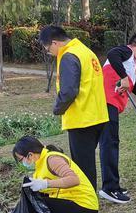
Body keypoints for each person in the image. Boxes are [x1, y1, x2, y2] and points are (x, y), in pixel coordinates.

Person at [40, 24, 108, 190]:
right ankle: (89, 195)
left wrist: (57, 109)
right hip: (97, 115)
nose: (49, 52)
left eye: (48, 48)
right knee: (88, 162)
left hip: (82, 119)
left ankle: (88, 200)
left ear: (55, 43)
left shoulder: (68, 56)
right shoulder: (84, 50)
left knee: (83, 166)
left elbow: (69, 91)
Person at [99, 33, 136, 204]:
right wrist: (123, 77)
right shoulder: (126, 52)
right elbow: (111, 54)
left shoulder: (131, 63)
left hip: (111, 105)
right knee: (109, 144)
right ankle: (109, 188)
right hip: (106, 102)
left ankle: (113, 186)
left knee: (112, 143)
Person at [12, 136, 99, 213]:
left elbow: (74, 180)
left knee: (37, 204)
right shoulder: (40, 165)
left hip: (85, 209)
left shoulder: (52, 159)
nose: (22, 163)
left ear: (30, 155)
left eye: (21, 160)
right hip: (77, 207)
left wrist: (45, 183)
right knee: (34, 200)